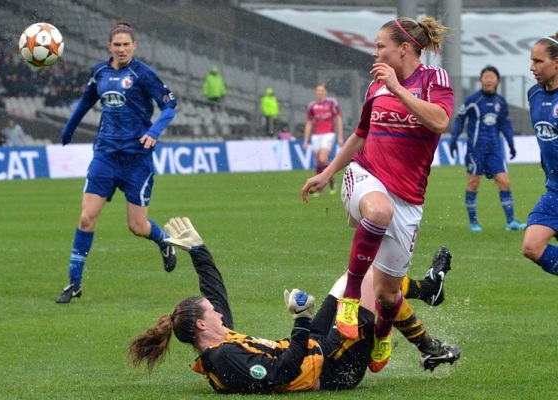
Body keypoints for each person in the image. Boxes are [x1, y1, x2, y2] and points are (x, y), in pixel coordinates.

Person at [128, 217, 461, 393]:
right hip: (333, 368)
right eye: (210, 312)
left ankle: (428, 295)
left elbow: (215, 293)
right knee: (377, 277)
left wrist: (198, 249)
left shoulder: (219, 342)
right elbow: (282, 372)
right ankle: (426, 341)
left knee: (355, 275)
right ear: (201, 325)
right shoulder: (225, 358)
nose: (217, 312)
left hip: (316, 346)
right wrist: (301, 320)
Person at [301, 16, 454, 373]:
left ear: (403, 49)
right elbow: (360, 135)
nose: (375, 53)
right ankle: (352, 297)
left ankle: (384, 334)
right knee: (379, 212)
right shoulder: (376, 86)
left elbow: (440, 122)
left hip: (409, 198)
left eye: (380, 46)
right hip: (365, 175)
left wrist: (399, 90)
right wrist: (327, 172)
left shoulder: (434, 80)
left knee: (387, 294)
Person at [55, 21, 178, 303]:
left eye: (126, 45)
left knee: (137, 226)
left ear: (134, 46)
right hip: (106, 155)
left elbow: (170, 105)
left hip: (137, 159)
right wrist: (69, 129)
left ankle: (163, 241)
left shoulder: (144, 74)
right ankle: (74, 283)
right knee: (86, 218)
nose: (122, 49)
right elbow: (86, 102)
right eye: (117, 45)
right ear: (109, 47)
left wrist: (153, 132)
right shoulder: (99, 72)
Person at [450, 66, 527, 232]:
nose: (488, 80)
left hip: (495, 150)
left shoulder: (500, 102)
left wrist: (511, 143)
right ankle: (474, 223)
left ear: (497, 80)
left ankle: (511, 222)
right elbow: (459, 119)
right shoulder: (473, 100)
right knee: (473, 183)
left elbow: (505, 124)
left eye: (491, 77)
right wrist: (454, 139)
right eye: (485, 77)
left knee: (505, 182)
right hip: (475, 150)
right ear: (481, 80)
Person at [521, 33, 558, 275]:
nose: (532, 67)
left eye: (538, 61)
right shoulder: (534, 94)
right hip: (554, 190)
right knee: (531, 246)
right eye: (532, 61)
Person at [303, 83, 344, 195]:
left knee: (322, 159)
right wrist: (306, 140)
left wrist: (340, 136)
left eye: (322, 90)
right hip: (316, 135)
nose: (320, 92)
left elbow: (338, 119)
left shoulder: (331, 103)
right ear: (316, 92)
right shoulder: (312, 106)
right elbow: (309, 123)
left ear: (325, 92)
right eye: (318, 90)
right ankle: (321, 187)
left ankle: (329, 184)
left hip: (328, 134)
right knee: (319, 163)